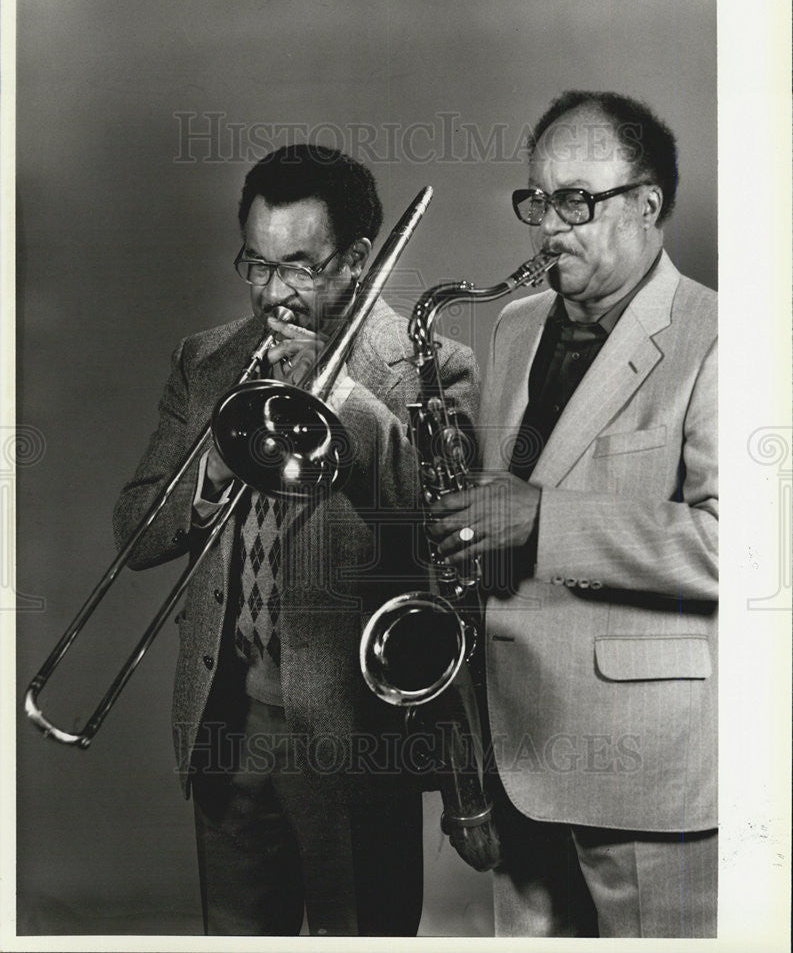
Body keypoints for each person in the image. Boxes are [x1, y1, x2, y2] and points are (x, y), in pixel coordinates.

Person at [113, 144, 479, 936]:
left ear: (353, 261)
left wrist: (340, 398)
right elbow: (135, 533)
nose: (273, 292)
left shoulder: (431, 367)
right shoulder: (208, 360)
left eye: (300, 267)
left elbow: (441, 534)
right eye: (256, 262)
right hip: (224, 726)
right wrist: (209, 466)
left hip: (354, 734)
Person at [428, 91, 717, 938]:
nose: (548, 226)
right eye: (537, 200)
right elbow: (501, 503)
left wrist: (543, 521)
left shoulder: (720, 336)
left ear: (647, 205)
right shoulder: (515, 327)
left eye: (575, 202)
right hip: (512, 746)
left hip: (644, 766)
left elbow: (738, 545)